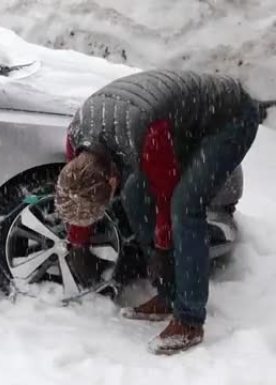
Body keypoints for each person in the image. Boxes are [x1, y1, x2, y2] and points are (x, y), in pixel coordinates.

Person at [55, 70, 269, 355]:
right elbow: (78, 195)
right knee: (133, 194)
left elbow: (165, 199)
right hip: (171, 116)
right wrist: (78, 244)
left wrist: (163, 251)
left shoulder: (145, 136)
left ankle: (190, 320)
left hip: (230, 117)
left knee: (185, 206)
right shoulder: (77, 137)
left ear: (109, 180)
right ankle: (168, 296)